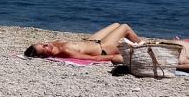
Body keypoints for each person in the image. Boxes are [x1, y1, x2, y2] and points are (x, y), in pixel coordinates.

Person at [24, 23, 162, 63]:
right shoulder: (64, 52)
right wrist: (112, 58)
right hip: (103, 48)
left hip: (92, 41)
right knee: (125, 27)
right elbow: (93, 58)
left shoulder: (52, 45)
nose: (46, 44)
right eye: (44, 47)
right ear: (45, 55)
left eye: (42, 43)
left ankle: (143, 44)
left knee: (116, 24)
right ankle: (146, 47)